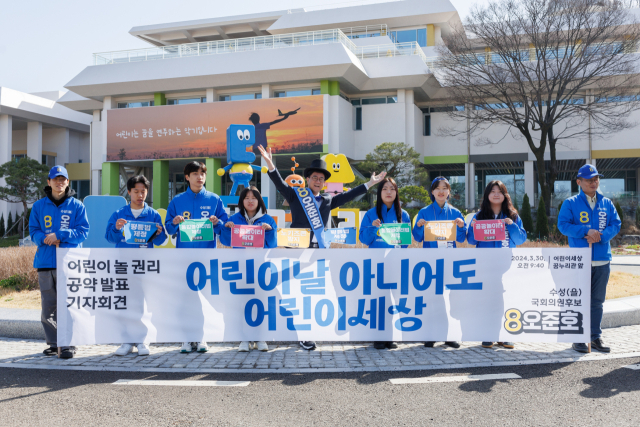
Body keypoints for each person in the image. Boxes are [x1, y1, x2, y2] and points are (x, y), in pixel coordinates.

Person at [258, 145, 387, 350]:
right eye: (314, 177)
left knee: (315, 294)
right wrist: (270, 163)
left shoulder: (328, 199)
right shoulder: (295, 195)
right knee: (299, 294)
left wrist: (370, 183)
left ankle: (312, 331)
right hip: (297, 252)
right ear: (307, 179)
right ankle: (303, 334)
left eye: (321, 179)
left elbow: (349, 195)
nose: (318, 181)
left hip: (318, 254)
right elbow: (279, 183)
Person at [165, 161, 228, 354]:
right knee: (185, 299)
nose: (199, 177)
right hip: (183, 258)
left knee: (203, 299)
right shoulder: (177, 200)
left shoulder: (214, 199)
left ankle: (201, 338)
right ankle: (186, 338)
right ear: (187, 177)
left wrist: (217, 223)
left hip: (206, 258)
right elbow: (168, 228)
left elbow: (224, 227)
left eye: (202, 173)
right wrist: (175, 222)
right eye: (194, 173)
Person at [557, 164, 621, 354]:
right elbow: (563, 226)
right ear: (579, 182)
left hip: (602, 260)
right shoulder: (570, 203)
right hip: (580, 260)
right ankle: (578, 338)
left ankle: (595, 337)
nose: (594, 182)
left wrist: (601, 235)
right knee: (579, 300)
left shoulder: (606, 203)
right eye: (589, 179)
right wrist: (586, 231)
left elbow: (616, 224)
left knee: (597, 301)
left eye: (596, 179)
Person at [29, 165, 89, 359]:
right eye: (55, 179)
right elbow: (34, 231)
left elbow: (83, 232)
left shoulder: (77, 205)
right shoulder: (39, 206)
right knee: (48, 307)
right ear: (49, 182)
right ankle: (54, 343)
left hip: (69, 263)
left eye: (63, 179)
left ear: (68, 182)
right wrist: (45, 238)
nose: (59, 182)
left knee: (70, 305)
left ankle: (69, 344)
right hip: (46, 262)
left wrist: (60, 235)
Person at [105, 175, 166, 357]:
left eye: (143, 192)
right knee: (125, 302)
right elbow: (109, 237)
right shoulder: (119, 214)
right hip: (124, 265)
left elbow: (161, 241)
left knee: (142, 303)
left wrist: (159, 234)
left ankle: (142, 340)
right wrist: (116, 228)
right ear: (129, 192)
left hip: (144, 266)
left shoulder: (153, 214)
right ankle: (126, 341)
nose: (140, 195)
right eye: (136, 191)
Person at [467, 180, 527, 350]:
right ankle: (489, 334)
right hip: (486, 266)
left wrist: (511, 225)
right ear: (487, 195)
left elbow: (521, 239)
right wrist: (473, 227)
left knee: (507, 299)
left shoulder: (513, 216)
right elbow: (471, 240)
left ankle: (506, 335)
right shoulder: (479, 216)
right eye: (492, 191)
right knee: (488, 300)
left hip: (506, 265)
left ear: (505, 195)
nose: (495, 194)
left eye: (499, 191)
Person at [412, 177, 467, 349]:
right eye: (437, 188)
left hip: (450, 262)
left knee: (452, 299)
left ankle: (450, 335)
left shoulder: (456, 213)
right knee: (433, 299)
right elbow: (417, 238)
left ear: (449, 192)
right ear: (432, 192)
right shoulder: (424, 212)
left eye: (445, 188)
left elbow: (461, 239)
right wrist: (419, 226)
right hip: (431, 263)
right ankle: (431, 335)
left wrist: (460, 226)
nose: (441, 191)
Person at [220, 186, 277, 352]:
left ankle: (260, 338)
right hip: (241, 268)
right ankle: (243, 339)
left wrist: (269, 231)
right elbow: (226, 241)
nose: (250, 201)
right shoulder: (235, 218)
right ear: (242, 201)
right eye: (247, 198)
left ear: (259, 200)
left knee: (260, 304)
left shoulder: (267, 219)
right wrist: (226, 228)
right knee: (241, 304)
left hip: (260, 268)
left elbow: (272, 245)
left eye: (254, 197)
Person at [359, 177, 411, 350]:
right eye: (385, 189)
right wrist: (373, 228)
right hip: (376, 264)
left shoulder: (403, 215)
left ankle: (390, 337)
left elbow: (405, 243)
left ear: (396, 193)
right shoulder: (370, 214)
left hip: (395, 264)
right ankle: (378, 337)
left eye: (392, 189)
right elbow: (363, 239)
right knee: (378, 300)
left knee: (393, 301)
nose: (389, 192)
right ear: (379, 193)